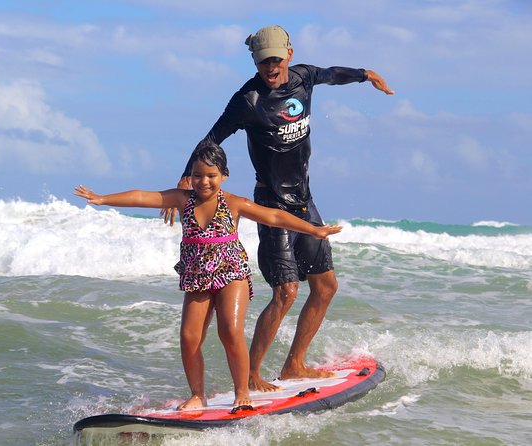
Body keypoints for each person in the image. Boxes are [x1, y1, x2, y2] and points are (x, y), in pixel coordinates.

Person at [162, 25, 394, 392]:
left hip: (304, 199)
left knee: (326, 286)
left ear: (288, 54)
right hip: (270, 202)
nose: (270, 67)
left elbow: (333, 74)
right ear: (255, 62)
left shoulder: (304, 77)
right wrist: (185, 181)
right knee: (285, 291)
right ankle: (252, 376)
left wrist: (366, 75)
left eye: (275, 59)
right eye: (262, 61)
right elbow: (211, 138)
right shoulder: (247, 100)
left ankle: (294, 364)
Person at [75, 141, 342, 410]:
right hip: (197, 277)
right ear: (190, 176)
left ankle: (241, 391)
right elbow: (143, 197)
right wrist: (102, 199)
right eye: (198, 175)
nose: (204, 182)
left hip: (231, 275)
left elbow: (273, 216)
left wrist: (313, 230)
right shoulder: (182, 200)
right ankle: (197, 394)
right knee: (189, 337)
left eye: (211, 176)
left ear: (223, 176)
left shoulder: (234, 203)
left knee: (229, 332)